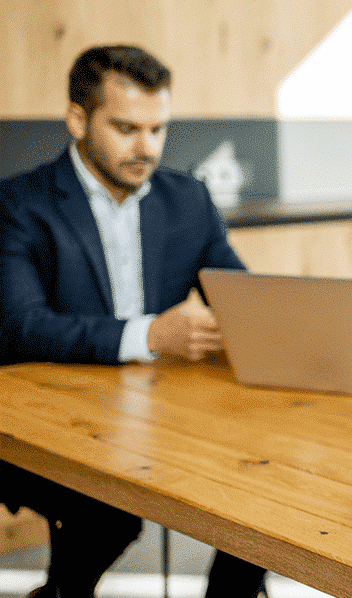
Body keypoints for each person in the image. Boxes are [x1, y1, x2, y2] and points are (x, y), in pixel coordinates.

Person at [0, 45, 266, 598]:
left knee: (260, 478)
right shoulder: (20, 204)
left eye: (157, 129)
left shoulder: (188, 198)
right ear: (78, 119)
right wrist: (148, 334)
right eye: (125, 128)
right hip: (50, 420)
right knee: (109, 515)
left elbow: (241, 297)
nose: (146, 148)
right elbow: (20, 326)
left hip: (159, 413)